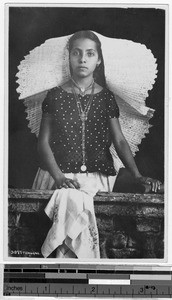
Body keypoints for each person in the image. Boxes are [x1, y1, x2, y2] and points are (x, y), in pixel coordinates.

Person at [32, 30, 162, 258]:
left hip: (96, 177)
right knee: (67, 199)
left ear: (99, 59)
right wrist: (59, 177)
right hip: (57, 173)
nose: (83, 59)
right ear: (69, 57)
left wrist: (137, 174)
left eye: (90, 54)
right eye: (77, 53)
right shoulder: (53, 96)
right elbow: (43, 144)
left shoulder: (106, 97)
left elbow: (119, 140)